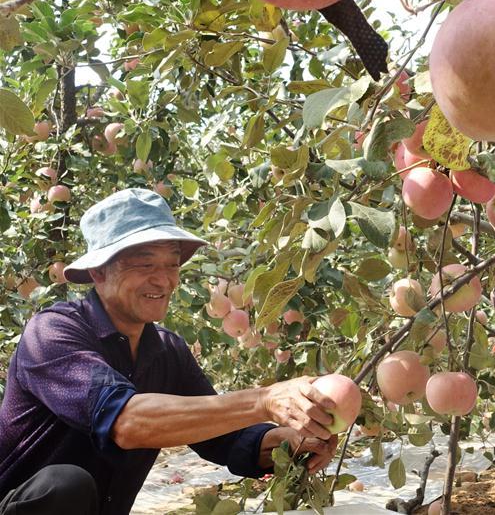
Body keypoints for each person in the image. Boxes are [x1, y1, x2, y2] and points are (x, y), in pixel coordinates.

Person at [0, 188, 339, 514]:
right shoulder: (53, 332)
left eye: (172, 264)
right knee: (64, 484)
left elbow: (223, 440)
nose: (163, 280)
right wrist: (263, 400)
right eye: (144, 265)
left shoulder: (166, 351)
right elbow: (126, 421)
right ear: (98, 272)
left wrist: (288, 443)